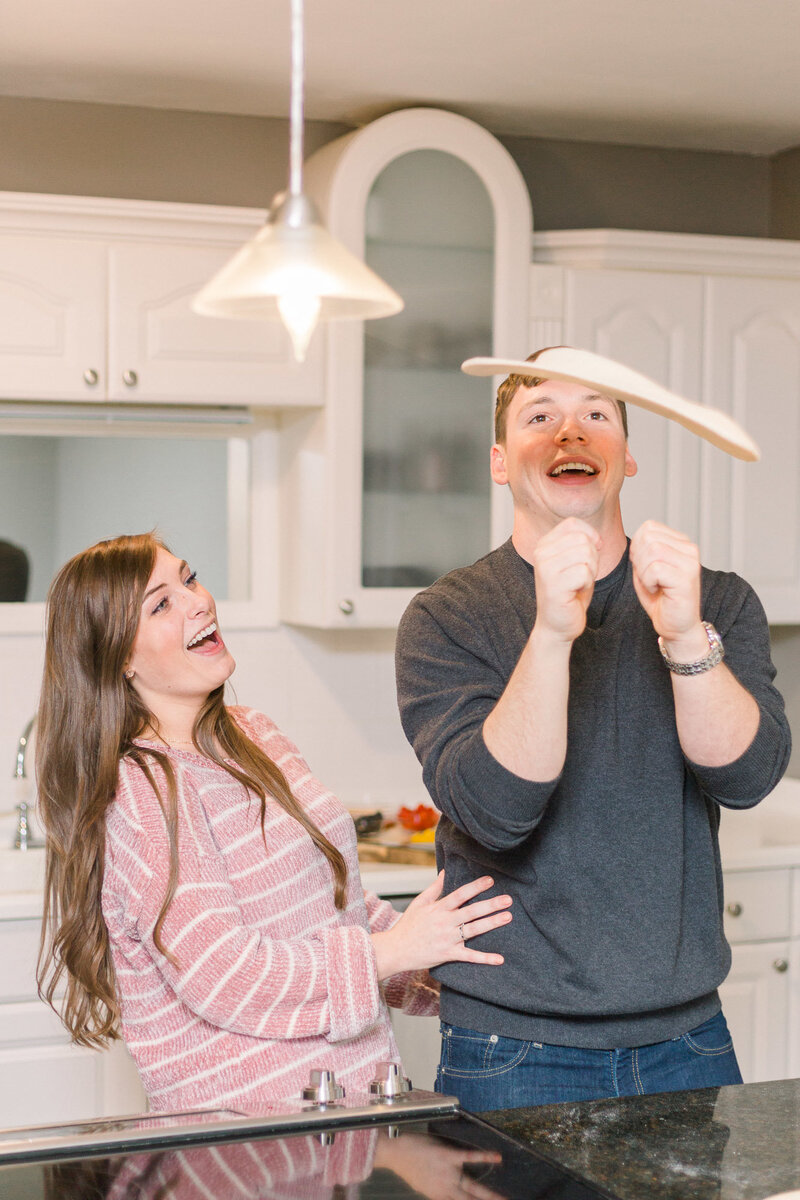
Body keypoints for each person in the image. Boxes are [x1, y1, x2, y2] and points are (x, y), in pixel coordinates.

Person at [395, 350, 791, 1111]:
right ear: (501, 462)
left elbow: (747, 779)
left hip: (689, 1040)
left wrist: (682, 636)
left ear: (627, 456)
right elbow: (497, 811)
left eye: (596, 415)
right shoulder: (447, 616)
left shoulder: (716, 601)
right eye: (540, 417)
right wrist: (550, 631)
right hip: (510, 1049)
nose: (569, 433)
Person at [36, 532, 513, 1113]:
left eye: (189, 579)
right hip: (245, 1149)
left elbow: (335, 906)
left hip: (345, 1116)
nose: (197, 601)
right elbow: (224, 974)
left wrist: (452, 977)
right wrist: (392, 952)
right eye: (160, 604)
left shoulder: (253, 735)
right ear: (119, 658)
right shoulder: (138, 791)